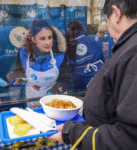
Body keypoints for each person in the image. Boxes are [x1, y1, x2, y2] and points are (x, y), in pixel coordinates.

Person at [48, 0, 137, 150]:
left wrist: (74, 132)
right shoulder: (129, 46)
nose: (108, 29)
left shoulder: (133, 53)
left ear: (116, 13)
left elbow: (129, 138)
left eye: (106, 21)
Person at [20, 19, 66, 107]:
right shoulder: (24, 53)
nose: (47, 42)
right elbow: (20, 73)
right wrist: (7, 83)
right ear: (33, 39)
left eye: (50, 37)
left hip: (53, 98)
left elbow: (66, 80)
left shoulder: (59, 54)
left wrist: (53, 92)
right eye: (42, 38)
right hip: (32, 96)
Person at [66, 21, 105, 94]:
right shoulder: (95, 39)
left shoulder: (69, 47)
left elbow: (70, 68)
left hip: (80, 86)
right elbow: (104, 55)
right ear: (82, 28)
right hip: (98, 80)